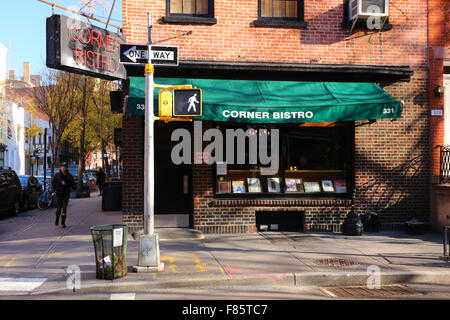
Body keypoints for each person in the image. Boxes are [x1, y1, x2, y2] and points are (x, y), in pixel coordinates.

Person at [51, 162, 74, 228]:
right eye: (62, 167)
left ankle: (63, 222)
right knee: (59, 208)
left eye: (65, 167)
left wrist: (66, 183)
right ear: (60, 167)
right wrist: (53, 191)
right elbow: (53, 183)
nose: (63, 168)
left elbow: (72, 184)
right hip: (59, 193)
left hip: (66, 194)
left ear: (67, 168)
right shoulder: (57, 175)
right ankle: (57, 219)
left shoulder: (69, 175)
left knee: (64, 207)